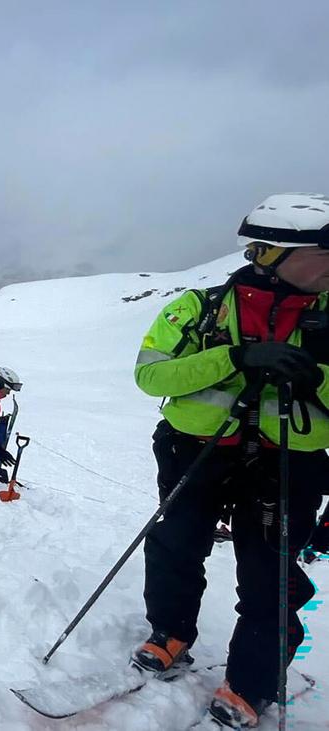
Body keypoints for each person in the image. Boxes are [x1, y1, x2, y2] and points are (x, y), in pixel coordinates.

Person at [132, 193, 329, 728]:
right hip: (196, 451)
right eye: (326, 252)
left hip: (287, 463)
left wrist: (318, 375)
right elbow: (152, 375)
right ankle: (169, 632)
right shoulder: (197, 308)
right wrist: (235, 358)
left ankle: (251, 682)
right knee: (175, 544)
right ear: (276, 253)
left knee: (270, 575)